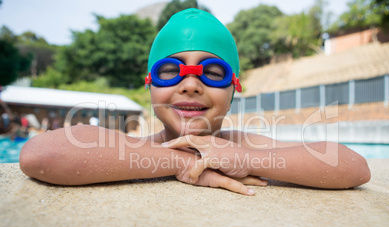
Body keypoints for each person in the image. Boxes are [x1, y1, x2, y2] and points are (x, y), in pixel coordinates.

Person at [19, 9, 370, 196]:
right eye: (171, 71)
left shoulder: (245, 145)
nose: (190, 85)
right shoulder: (135, 146)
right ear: (150, 84)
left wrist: (244, 158)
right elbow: (40, 155)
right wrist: (182, 162)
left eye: (212, 72)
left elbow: (354, 167)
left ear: (234, 87)